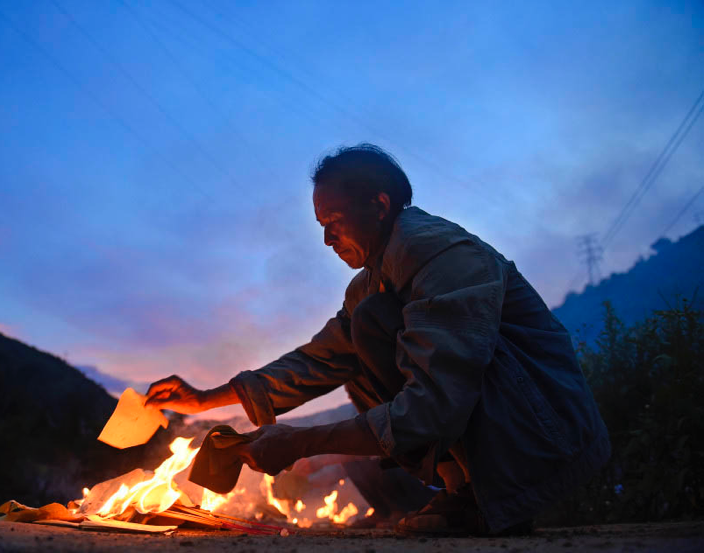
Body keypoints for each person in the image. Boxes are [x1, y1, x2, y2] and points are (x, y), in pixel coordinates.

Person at [145, 144, 610, 534]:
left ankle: (484, 493)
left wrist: (298, 442)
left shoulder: (443, 255)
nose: (327, 239)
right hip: (506, 432)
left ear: (380, 206)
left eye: (334, 221)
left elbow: (434, 403)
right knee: (364, 328)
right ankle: (467, 489)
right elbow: (316, 360)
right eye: (321, 226)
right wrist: (203, 400)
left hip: (546, 436)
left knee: (374, 327)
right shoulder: (371, 283)